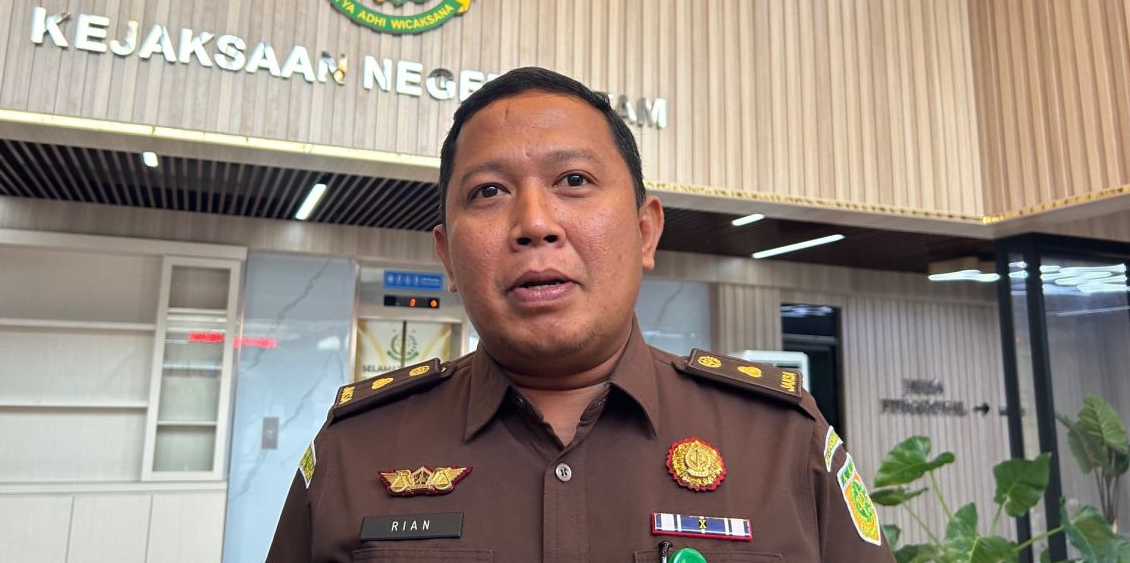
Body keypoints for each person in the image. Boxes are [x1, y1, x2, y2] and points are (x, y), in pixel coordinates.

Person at [267, 67, 894, 562]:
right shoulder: (355, 449)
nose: (535, 223)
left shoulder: (781, 442)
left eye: (573, 180)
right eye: (489, 191)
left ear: (645, 231)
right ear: (447, 256)